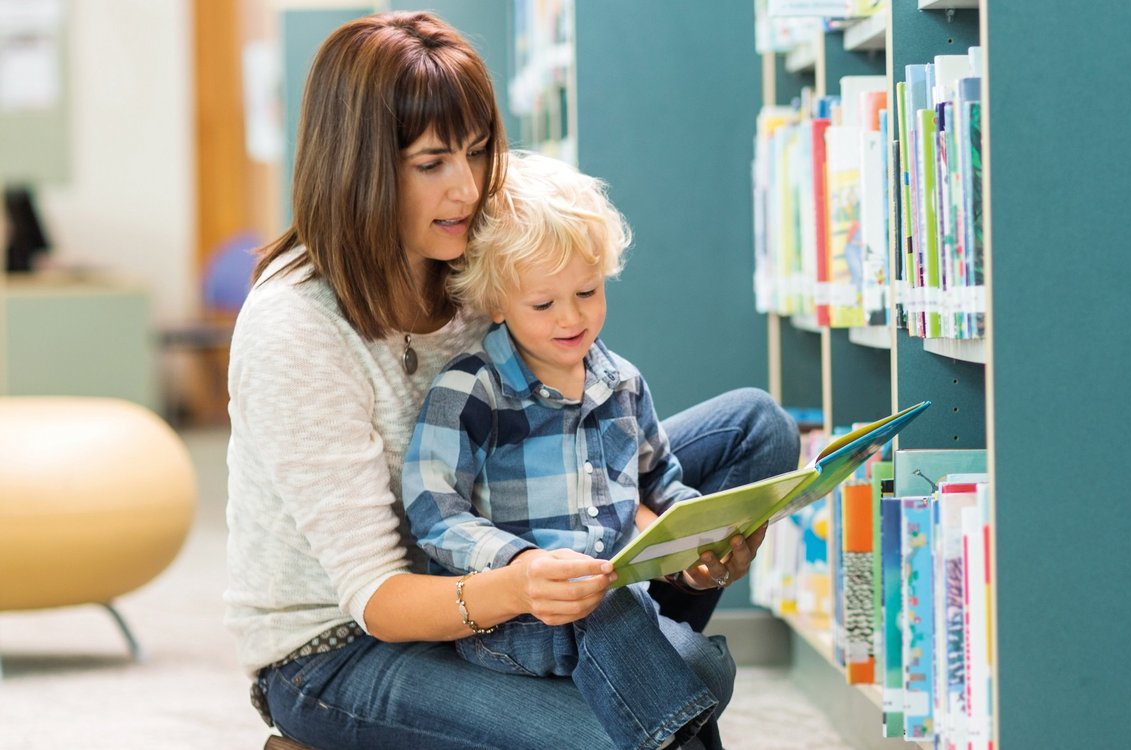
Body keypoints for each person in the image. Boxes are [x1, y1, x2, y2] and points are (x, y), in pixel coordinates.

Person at [224, 12, 797, 749]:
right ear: (360, 168)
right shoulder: (294, 328)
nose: (466, 188)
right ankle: (643, 681)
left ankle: (631, 662)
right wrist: (525, 585)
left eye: (478, 150)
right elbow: (376, 597)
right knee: (621, 731)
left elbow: (577, 414)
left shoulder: (475, 248)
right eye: (430, 164)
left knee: (755, 433)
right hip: (347, 647)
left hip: (515, 555)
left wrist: (682, 544)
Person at [400, 151, 734, 748]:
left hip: (613, 605)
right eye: (543, 304)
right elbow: (432, 507)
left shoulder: (623, 382)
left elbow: (662, 481)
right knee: (693, 667)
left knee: (687, 658)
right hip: (510, 622)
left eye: (586, 290)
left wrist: (700, 534)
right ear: (498, 303)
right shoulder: (472, 387)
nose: (571, 317)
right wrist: (519, 565)